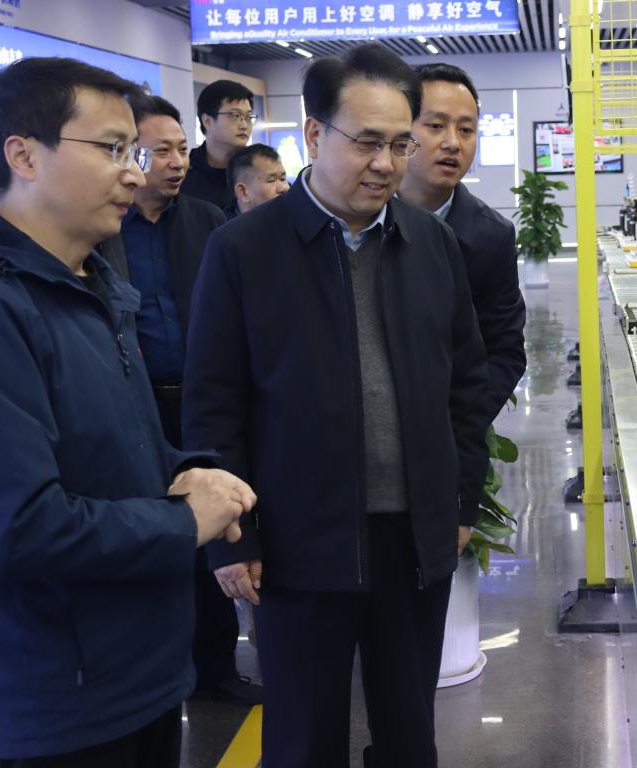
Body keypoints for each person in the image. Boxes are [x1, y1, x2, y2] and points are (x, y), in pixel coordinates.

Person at [183, 44, 489, 768]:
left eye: (399, 144)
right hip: (297, 544)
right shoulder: (243, 251)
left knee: (409, 733)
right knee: (302, 738)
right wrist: (232, 539)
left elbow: (465, 387)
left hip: (413, 543)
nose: (386, 163)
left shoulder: (432, 244)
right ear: (315, 135)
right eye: (367, 142)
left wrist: (460, 503)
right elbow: (215, 403)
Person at [0, 56, 254, 766]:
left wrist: (184, 471)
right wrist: (183, 521)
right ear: (23, 156)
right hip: (57, 702)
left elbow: (117, 446)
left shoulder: (94, 285)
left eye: (134, 152)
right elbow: (20, 527)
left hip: (142, 678)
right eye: (112, 150)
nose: (134, 174)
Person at [98, 95, 261, 706]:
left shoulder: (207, 220)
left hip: (199, 406)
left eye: (181, 149)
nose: (176, 162)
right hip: (134, 408)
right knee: (146, 537)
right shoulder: (104, 228)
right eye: (160, 150)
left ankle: (215, 668)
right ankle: (151, 672)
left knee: (210, 537)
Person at [398, 63, 525, 423]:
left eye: (466, 129)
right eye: (435, 126)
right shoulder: (360, 218)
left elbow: (505, 350)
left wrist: (461, 428)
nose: (453, 142)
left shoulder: (492, 236)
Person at [181, 79, 255, 209]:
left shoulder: (258, 169)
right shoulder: (183, 175)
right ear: (207, 122)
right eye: (235, 115)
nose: (244, 125)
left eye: (248, 117)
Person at [224, 143, 290, 218]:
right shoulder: (221, 223)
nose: (285, 188)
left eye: (282, 179)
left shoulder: (296, 219)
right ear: (243, 192)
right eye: (271, 180)